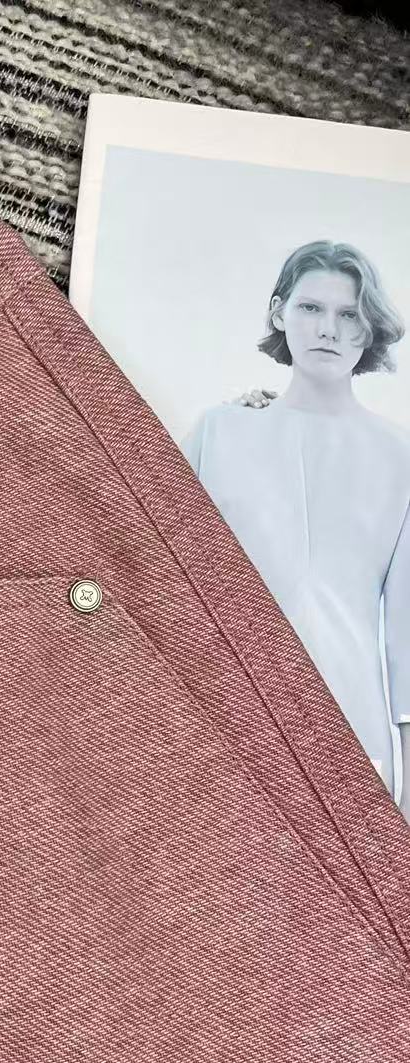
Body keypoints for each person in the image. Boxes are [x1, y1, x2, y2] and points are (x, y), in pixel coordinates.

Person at [180, 239, 410, 812]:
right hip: (222, 717)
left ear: (369, 327)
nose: (328, 329)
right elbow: (165, 584)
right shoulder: (219, 433)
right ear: (279, 312)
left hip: (350, 727)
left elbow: (406, 635)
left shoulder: (399, 457)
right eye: (311, 308)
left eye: (349, 314)